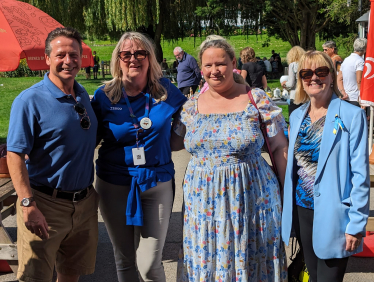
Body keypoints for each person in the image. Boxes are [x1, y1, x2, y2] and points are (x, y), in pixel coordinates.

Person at [174, 39, 288, 281]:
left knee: (250, 260)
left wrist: (287, 190)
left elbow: (279, 146)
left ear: (233, 64)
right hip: (203, 204)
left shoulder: (255, 99)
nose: (214, 70)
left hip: (252, 200)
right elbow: (172, 143)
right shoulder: (191, 106)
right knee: (208, 262)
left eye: (221, 63)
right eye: (208, 65)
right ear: (201, 69)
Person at [91, 31, 186, 282]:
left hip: (157, 182)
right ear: (118, 59)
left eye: (140, 52)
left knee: (149, 265)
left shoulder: (167, 91)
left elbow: (196, 115)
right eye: (126, 53)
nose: (133, 58)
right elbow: (87, 135)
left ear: (150, 57)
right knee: (124, 260)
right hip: (113, 184)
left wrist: (237, 86)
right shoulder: (104, 95)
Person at [7, 27, 99, 282]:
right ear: (47, 58)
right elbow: (15, 154)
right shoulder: (29, 101)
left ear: (82, 58)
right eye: (60, 55)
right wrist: (28, 204)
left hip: (83, 202)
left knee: (71, 272)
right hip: (45, 204)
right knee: (36, 277)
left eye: (74, 55)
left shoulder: (82, 95)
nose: (68, 61)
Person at [282, 50, 370, 282]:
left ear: (332, 76)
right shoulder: (297, 115)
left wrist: (356, 224)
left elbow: (360, 174)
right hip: (302, 212)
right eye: (306, 73)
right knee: (311, 276)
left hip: (336, 215)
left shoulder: (351, 115)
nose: (314, 78)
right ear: (300, 79)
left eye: (321, 71)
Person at [337, 38, 367, 106]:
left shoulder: (346, 60)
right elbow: (359, 80)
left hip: (346, 97)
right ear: (365, 49)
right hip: (356, 98)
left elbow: (339, 79)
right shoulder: (360, 61)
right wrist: (362, 97)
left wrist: (343, 92)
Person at [281, 46, 306, 116]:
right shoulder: (305, 64)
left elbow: (291, 83)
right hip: (306, 95)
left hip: (295, 96)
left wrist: (284, 84)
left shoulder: (293, 65)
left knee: (293, 119)